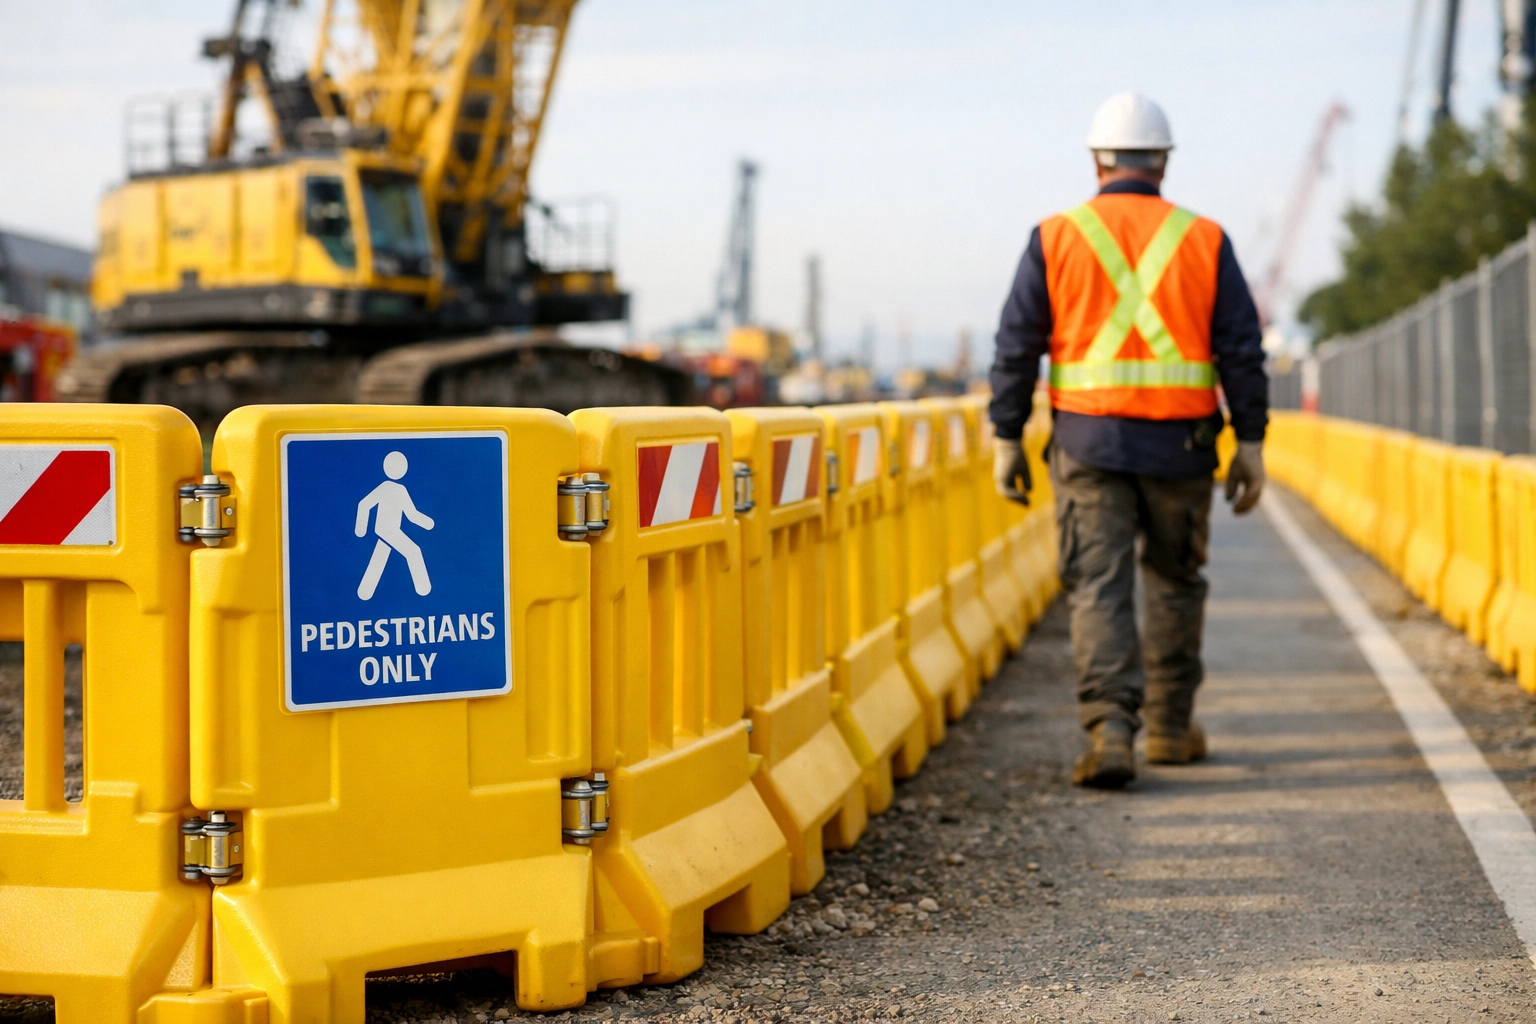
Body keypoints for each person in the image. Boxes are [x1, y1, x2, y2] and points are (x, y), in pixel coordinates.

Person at [987, 92, 1268, 789]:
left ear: (1096, 159)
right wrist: (1252, 443)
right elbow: (1242, 349)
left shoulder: (1055, 237)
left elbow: (1016, 345)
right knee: (1175, 582)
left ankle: (1112, 730)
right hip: (1183, 446)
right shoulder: (1204, 239)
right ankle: (1171, 730)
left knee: (1097, 586)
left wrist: (1005, 437)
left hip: (1088, 444)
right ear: (1164, 162)